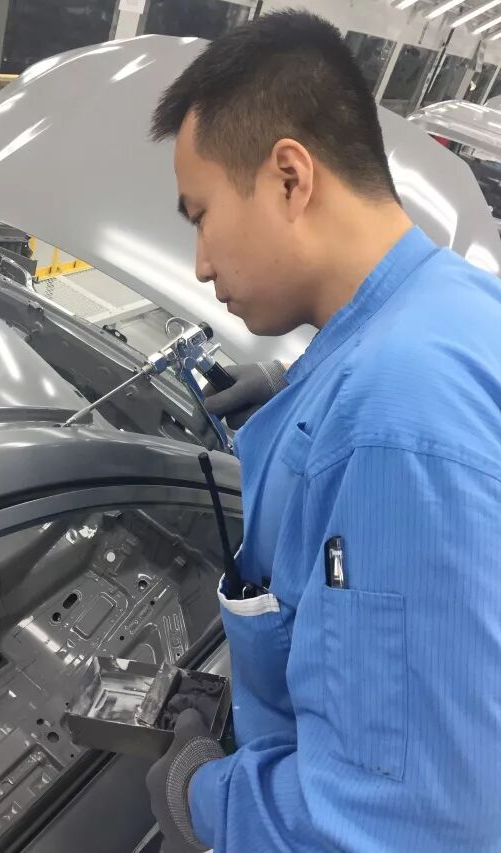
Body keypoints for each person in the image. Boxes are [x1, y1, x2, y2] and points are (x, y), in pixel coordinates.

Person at [146, 11, 501, 853]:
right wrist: (295, 389)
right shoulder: (458, 304)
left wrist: (201, 793)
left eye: (200, 214)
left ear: (290, 178)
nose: (200, 262)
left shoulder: (392, 421)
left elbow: (401, 825)